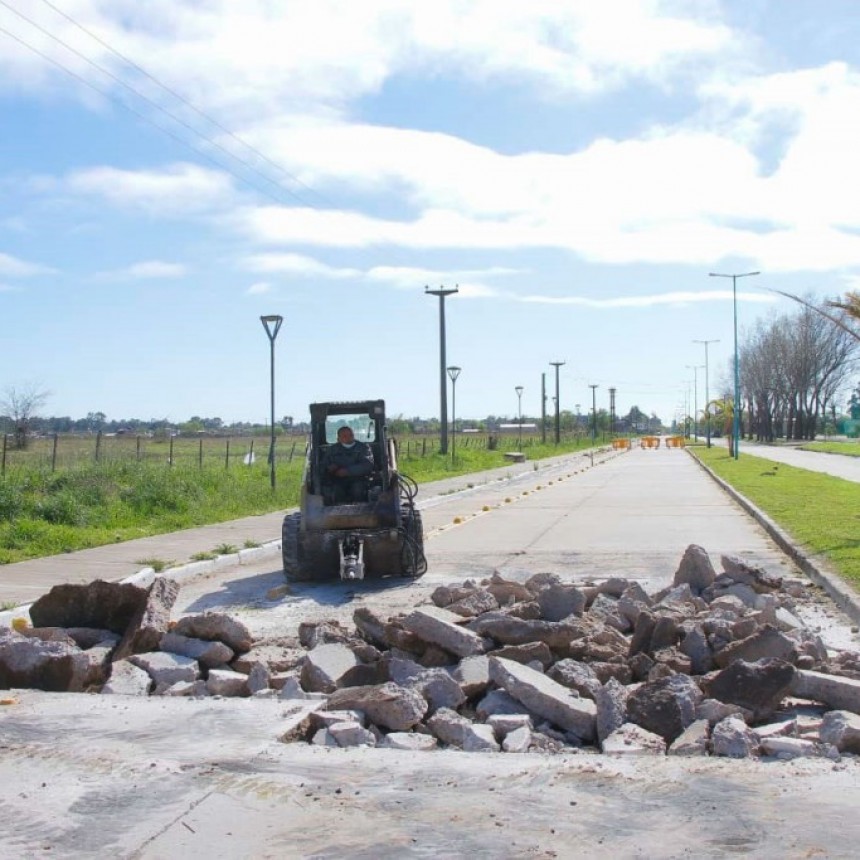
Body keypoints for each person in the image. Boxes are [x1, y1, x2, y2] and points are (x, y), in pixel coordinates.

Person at [322, 425, 375, 503]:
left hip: (358, 479)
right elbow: (324, 466)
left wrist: (348, 471)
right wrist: (329, 468)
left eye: (351, 435)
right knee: (336, 490)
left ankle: (359, 508)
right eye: (344, 436)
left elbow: (367, 465)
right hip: (337, 480)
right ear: (338, 439)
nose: (349, 438)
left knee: (358, 489)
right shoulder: (332, 450)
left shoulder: (363, 448)